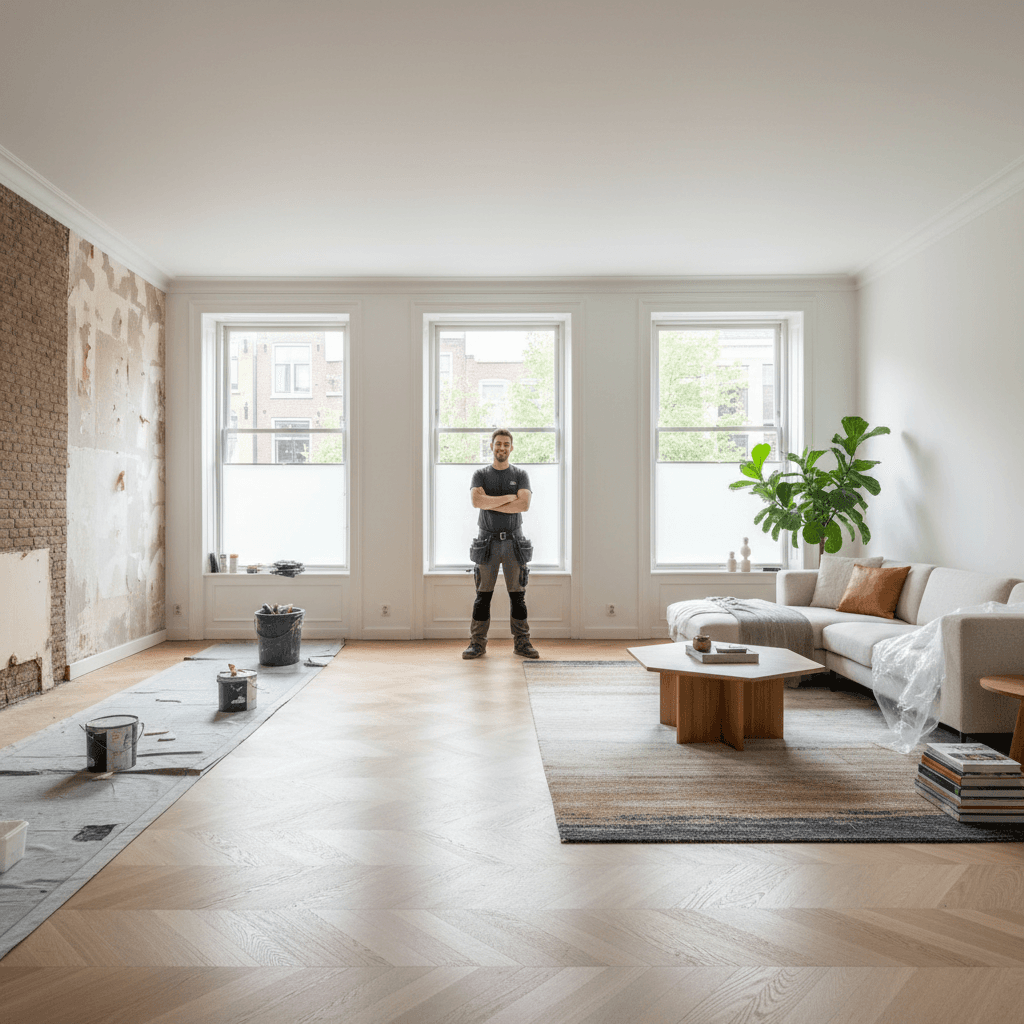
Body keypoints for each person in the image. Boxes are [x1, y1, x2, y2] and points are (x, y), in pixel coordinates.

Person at [463, 427, 539, 660]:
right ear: (491, 446)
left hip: (515, 543)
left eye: (506, 444)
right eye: (498, 444)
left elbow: (523, 505)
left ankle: (522, 642)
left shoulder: (521, 474)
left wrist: (489, 501)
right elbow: (476, 501)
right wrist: (508, 498)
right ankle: (477, 644)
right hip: (486, 543)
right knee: (482, 596)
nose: (502, 448)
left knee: (517, 596)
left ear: (511, 448)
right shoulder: (480, 474)